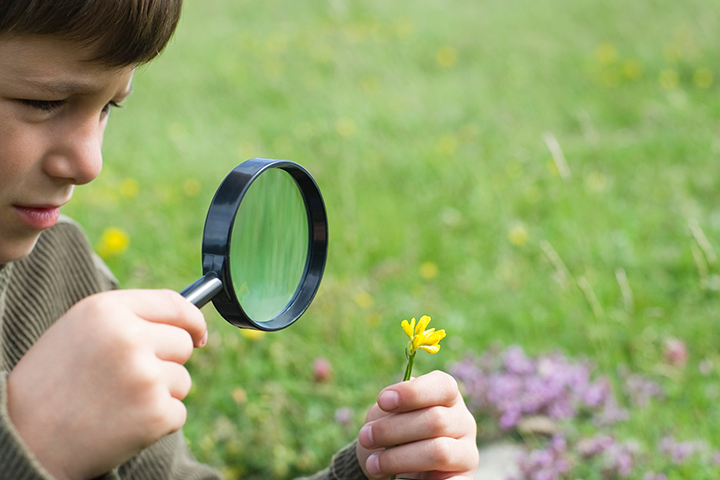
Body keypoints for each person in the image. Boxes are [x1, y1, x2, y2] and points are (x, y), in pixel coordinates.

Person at [0, 1, 480, 479]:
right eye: (42, 103)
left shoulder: (62, 272)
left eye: (109, 106)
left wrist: (377, 471)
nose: (90, 163)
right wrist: (26, 446)